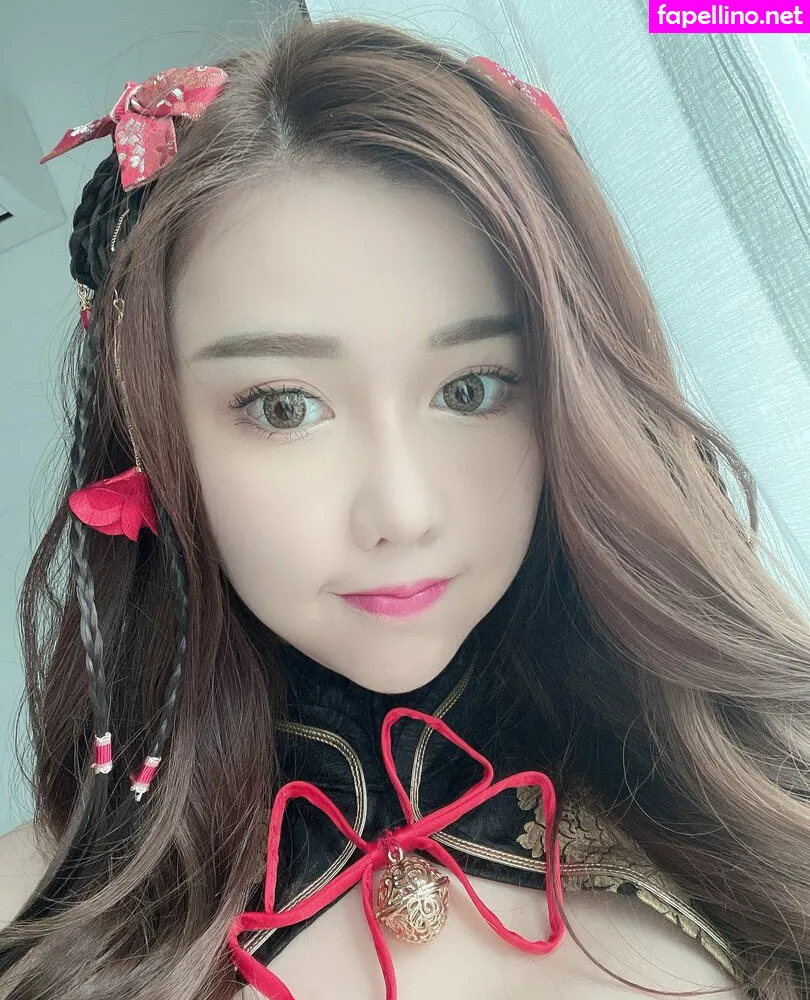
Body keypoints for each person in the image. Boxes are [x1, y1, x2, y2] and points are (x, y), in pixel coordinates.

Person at [0, 14, 808, 1000]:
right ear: (154, 436)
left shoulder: (760, 784)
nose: (404, 510)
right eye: (284, 406)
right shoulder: (31, 924)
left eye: (472, 388)